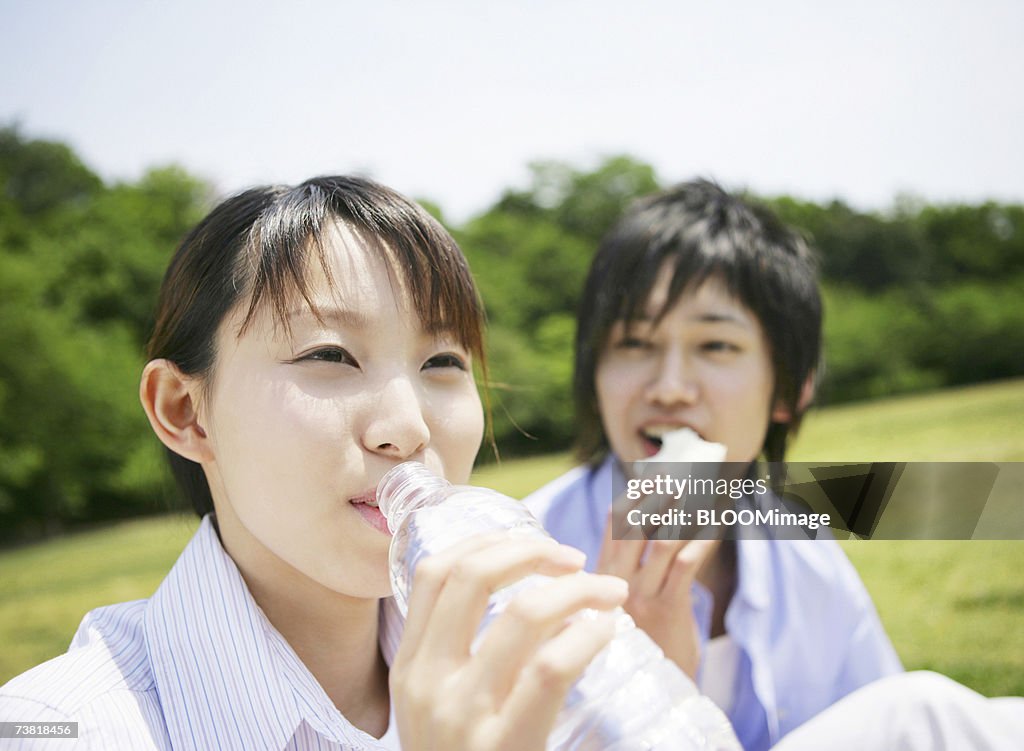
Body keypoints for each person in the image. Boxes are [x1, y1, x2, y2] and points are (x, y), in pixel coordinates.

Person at [0, 176, 633, 750]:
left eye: (442, 362)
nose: (408, 429)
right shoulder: (58, 727)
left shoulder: (525, 665)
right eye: (330, 355)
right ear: (185, 411)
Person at [524, 179, 903, 750]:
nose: (670, 388)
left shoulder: (806, 553)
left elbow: (892, 729)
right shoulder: (525, 564)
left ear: (789, 392)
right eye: (633, 342)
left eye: (716, 346)